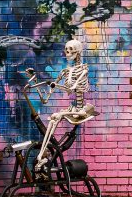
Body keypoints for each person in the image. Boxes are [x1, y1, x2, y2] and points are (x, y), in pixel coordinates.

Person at [34, 39, 98, 174]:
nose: (67, 53)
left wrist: (72, 86)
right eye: (66, 50)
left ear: (78, 51)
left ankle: (43, 155)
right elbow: (54, 86)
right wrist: (43, 86)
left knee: (59, 115)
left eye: (70, 50)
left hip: (81, 110)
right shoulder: (65, 71)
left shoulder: (83, 70)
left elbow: (76, 85)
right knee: (53, 118)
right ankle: (42, 154)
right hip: (73, 108)